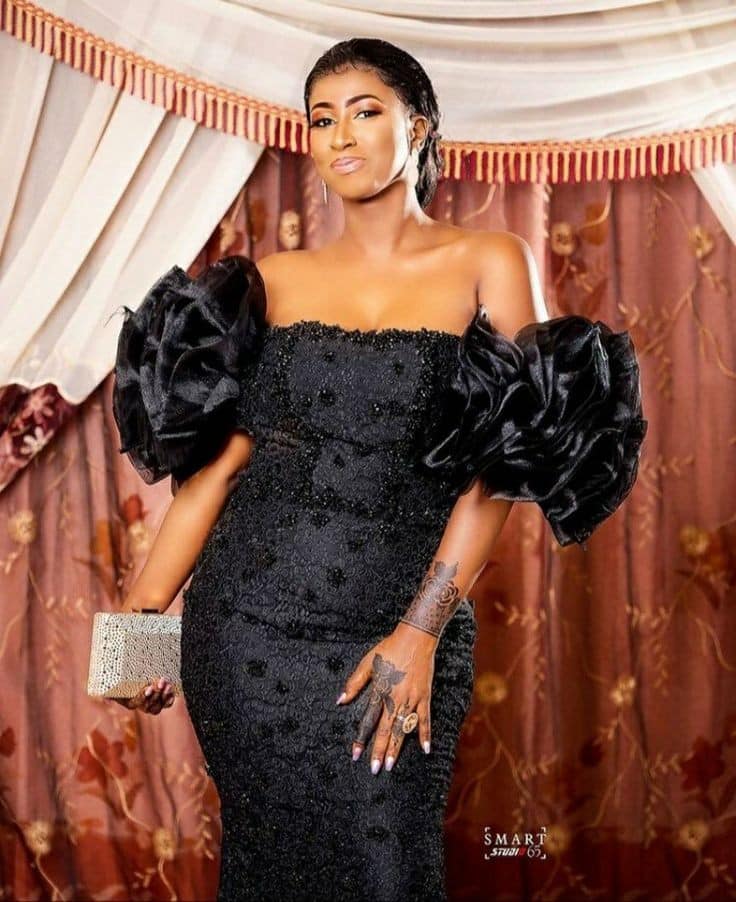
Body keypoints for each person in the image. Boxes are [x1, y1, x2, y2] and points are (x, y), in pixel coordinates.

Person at [109, 37, 647, 902]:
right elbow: (217, 471)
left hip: (397, 630)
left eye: (365, 112)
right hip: (244, 637)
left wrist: (420, 632)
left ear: (418, 126)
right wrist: (135, 631)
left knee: (389, 870)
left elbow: (498, 469)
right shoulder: (271, 281)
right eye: (322, 120)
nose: (341, 136)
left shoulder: (490, 260)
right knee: (267, 871)